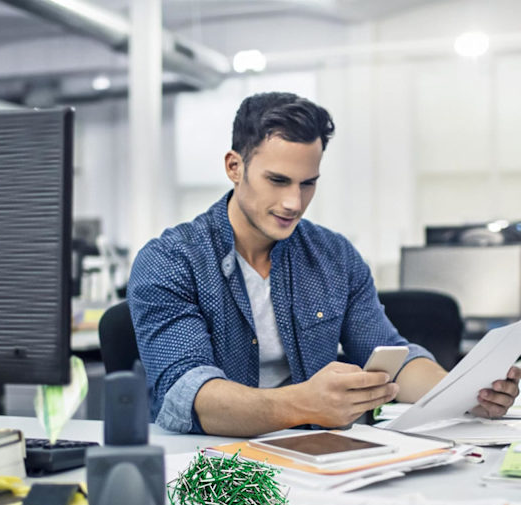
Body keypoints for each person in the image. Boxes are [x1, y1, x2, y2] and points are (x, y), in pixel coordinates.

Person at [127, 91, 520, 436]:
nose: (293, 203)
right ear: (235, 167)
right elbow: (188, 395)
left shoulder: (334, 256)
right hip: (213, 463)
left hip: (318, 455)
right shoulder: (170, 261)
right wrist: (303, 404)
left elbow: (390, 357)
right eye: (277, 180)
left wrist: (463, 394)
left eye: (308, 183)